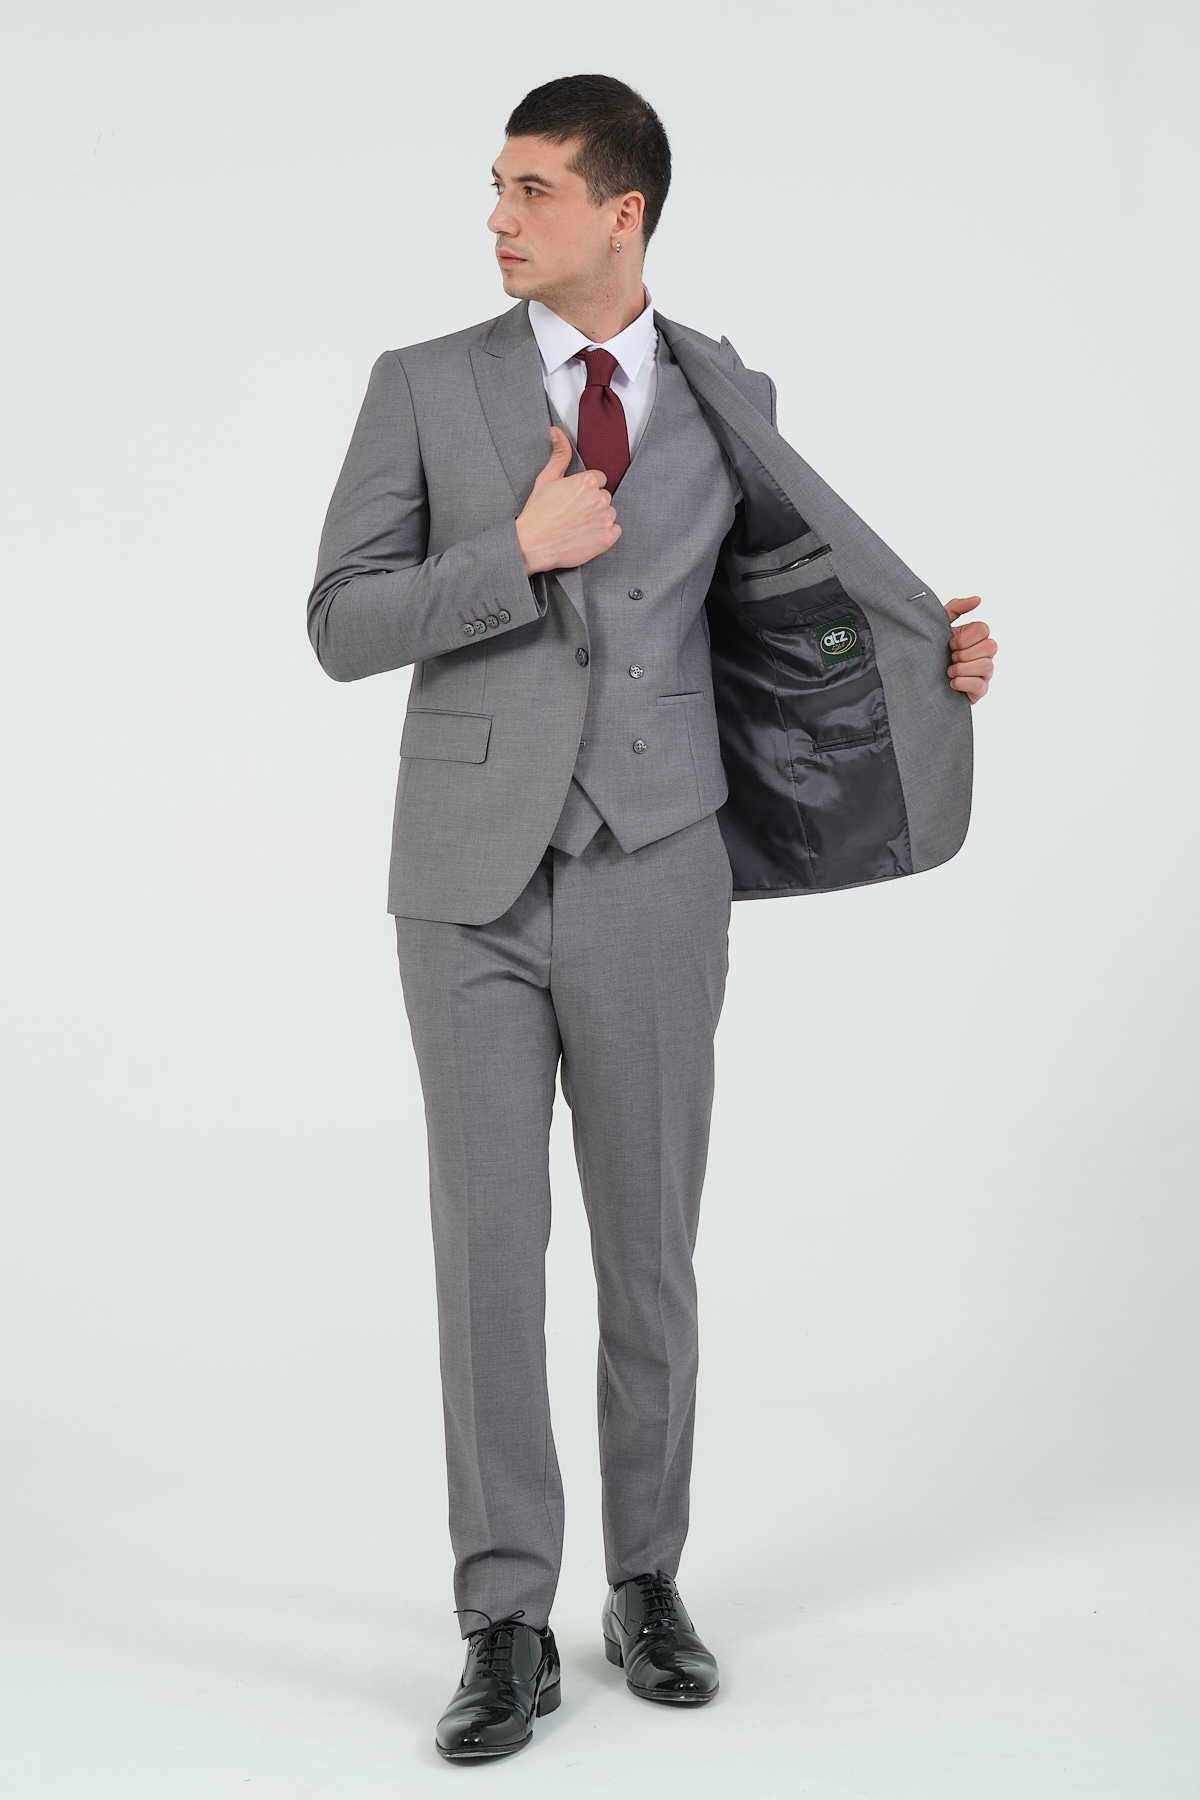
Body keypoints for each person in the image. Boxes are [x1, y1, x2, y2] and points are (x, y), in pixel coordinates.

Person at [306, 72, 996, 1763]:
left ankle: (647, 1581)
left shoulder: (721, 384)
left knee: (648, 1246)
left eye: (533, 189)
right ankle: (503, 1619)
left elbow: (786, 593)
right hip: (466, 878)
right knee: (489, 1253)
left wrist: (926, 656)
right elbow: (339, 621)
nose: (498, 216)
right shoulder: (422, 385)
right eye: (495, 186)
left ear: (623, 213)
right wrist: (517, 551)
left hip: (657, 863)